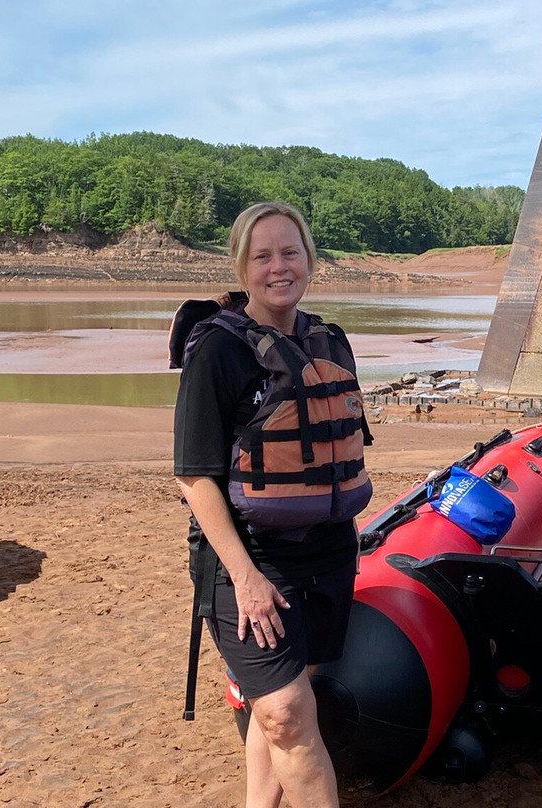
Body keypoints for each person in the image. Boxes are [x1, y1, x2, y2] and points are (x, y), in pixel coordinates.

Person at [173, 201, 372, 808]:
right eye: (262, 256)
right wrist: (247, 577)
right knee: (287, 713)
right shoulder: (217, 353)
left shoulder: (329, 341)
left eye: (290, 252)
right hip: (249, 563)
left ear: (310, 259)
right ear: (242, 266)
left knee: (279, 710)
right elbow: (195, 477)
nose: (278, 267)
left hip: (329, 554)